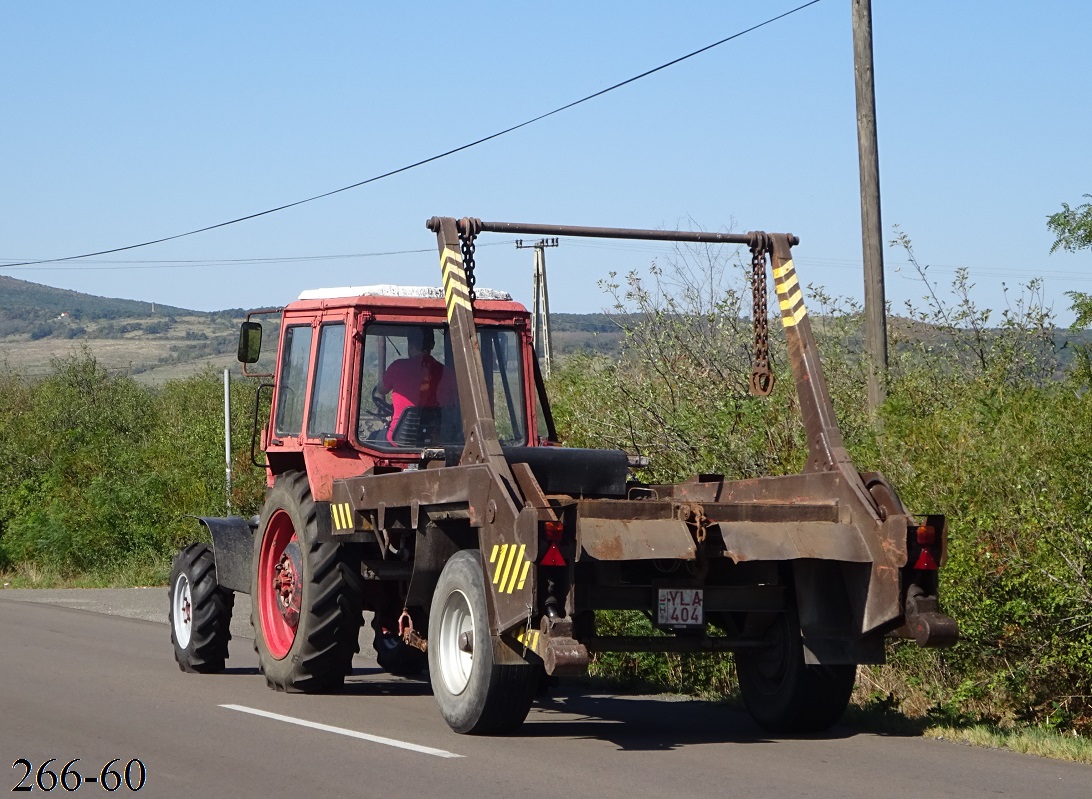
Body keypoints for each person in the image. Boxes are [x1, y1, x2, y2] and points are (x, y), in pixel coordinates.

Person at [377, 328, 448, 444]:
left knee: (374, 437)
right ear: (433, 345)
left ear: (410, 345)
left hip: (397, 441)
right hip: (433, 440)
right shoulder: (446, 373)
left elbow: (381, 389)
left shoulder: (397, 367)